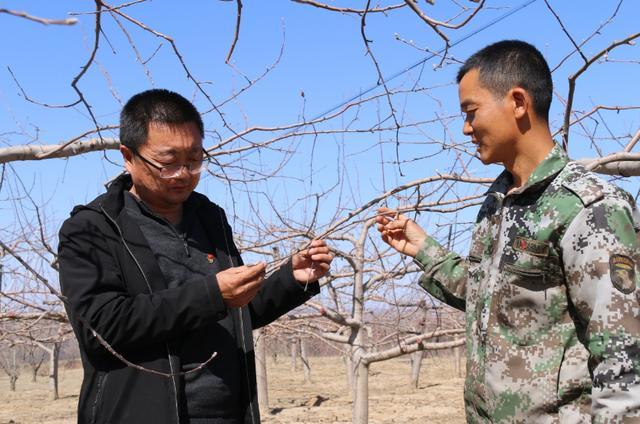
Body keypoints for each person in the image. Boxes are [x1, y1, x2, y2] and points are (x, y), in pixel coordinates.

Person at [376, 40, 640, 422]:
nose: (465, 128)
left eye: (471, 112)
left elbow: (623, 353)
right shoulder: (499, 201)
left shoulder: (589, 207)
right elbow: (489, 297)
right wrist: (423, 249)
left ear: (517, 102)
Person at [58, 89, 333, 424]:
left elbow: (238, 313)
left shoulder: (210, 218)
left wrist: (292, 279)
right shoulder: (92, 229)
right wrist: (211, 294)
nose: (184, 173)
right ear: (128, 156)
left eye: (194, 160)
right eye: (168, 162)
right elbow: (102, 330)